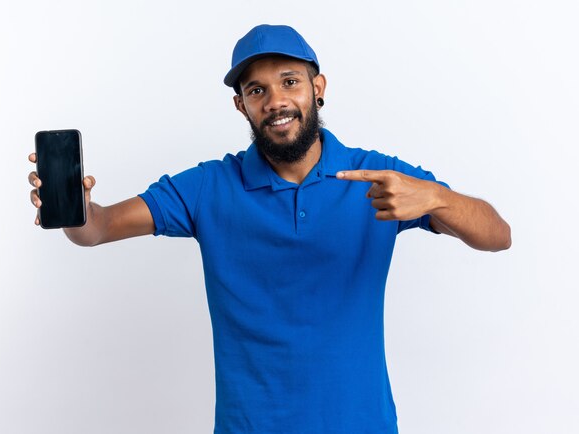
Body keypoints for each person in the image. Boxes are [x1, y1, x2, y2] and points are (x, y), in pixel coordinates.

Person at [28, 24, 511, 434]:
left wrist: (436, 197)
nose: (276, 100)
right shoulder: (209, 187)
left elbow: (497, 234)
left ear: (318, 87)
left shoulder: (379, 176)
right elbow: (100, 228)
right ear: (241, 106)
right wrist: (77, 208)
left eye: (289, 82)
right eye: (257, 90)